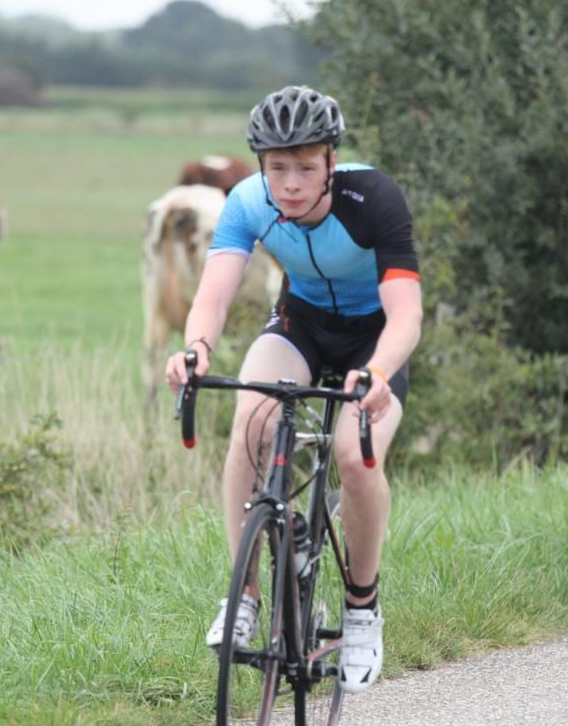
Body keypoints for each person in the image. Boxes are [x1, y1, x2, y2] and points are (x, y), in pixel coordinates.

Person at [166, 84, 422, 693]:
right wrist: (196, 350)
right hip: (301, 325)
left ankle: (362, 608)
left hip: (374, 340)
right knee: (251, 421)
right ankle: (245, 596)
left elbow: (407, 314)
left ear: (332, 160)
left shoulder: (373, 198)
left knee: (353, 457)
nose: (290, 184)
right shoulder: (246, 201)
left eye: (306, 167)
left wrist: (379, 371)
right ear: (261, 164)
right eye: (277, 167)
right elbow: (214, 296)